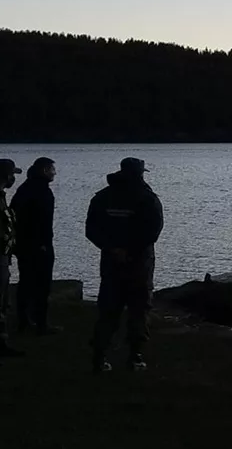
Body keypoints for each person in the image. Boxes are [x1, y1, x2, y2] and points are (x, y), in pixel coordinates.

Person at [86, 157, 163, 372]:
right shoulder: (147, 198)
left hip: (111, 263)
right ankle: (135, 356)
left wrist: (112, 248)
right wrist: (130, 250)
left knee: (108, 308)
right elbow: (153, 231)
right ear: (140, 173)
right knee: (139, 309)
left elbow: (91, 229)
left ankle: (99, 356)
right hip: (139, 264)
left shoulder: (102, 197)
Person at [11, 157, 59, 334]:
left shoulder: (25, 189)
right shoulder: (41, 191)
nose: (54, 173)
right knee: (41, 285)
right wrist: (42, 243)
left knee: (26, 282)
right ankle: (39, 322)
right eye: (52, 169)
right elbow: (40, 221)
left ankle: (25, 320)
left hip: (25, 244)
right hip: (38, 246)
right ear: (44, 170)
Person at [0, 158, 25, 357]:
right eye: (11, 175)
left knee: (3, 301)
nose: (13, 179)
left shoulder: (2, 197)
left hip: (4, 256)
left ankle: (2, 342)